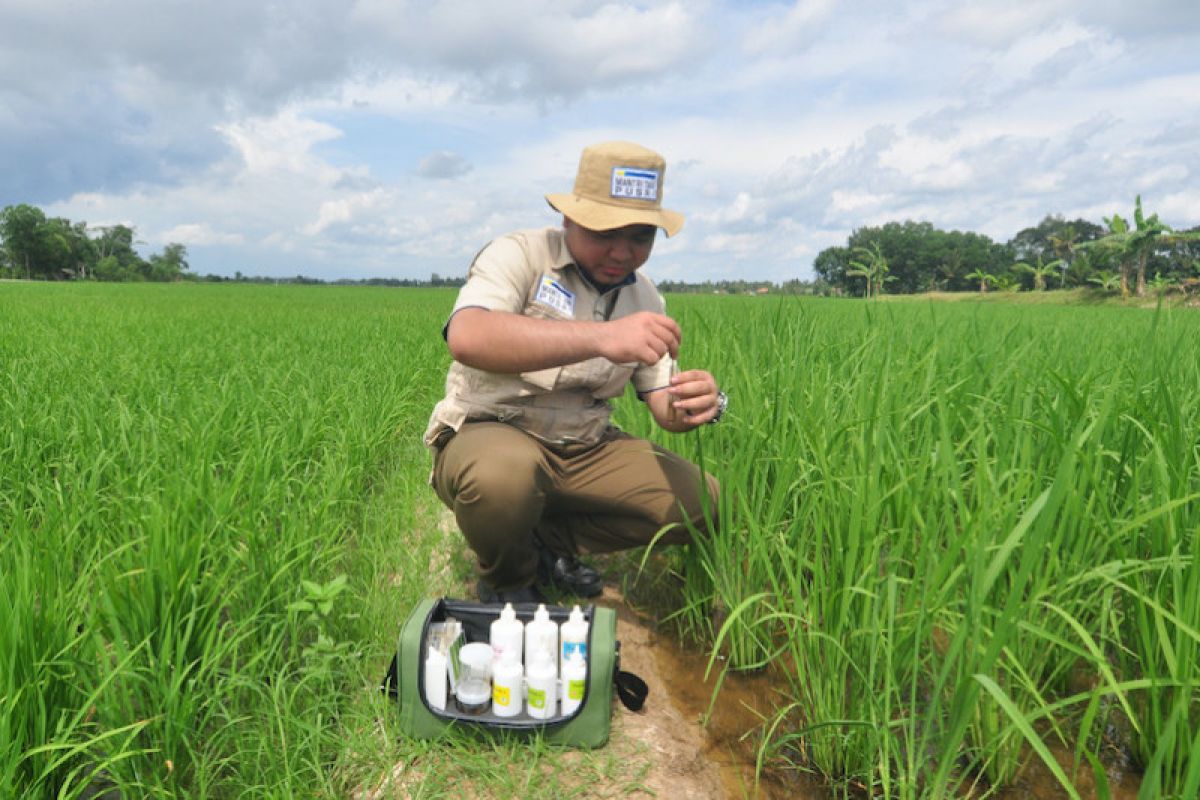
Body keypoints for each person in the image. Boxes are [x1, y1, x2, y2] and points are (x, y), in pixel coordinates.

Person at [424, 140, 727, 604]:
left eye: (640, 237)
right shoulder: (520, 255)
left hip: (584, 445)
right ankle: (510, 579)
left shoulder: (645, 297)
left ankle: (544, 542)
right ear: (569, 219)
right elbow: (468, 336)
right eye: (606, 233)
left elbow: (664, 404)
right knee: (502, 481)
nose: (623, 252)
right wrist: (601, 337)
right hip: (494, 431)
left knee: (705, 504)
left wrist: (698, 403)